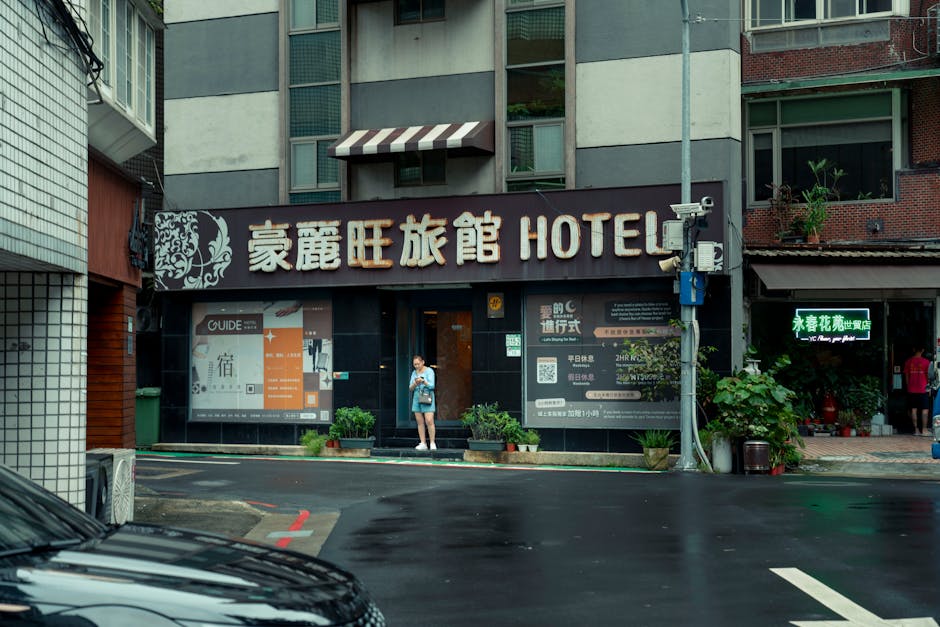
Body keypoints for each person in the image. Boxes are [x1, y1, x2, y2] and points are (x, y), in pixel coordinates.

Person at [409, 354, 436, 450]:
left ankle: (432, 442)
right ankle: (423, 443)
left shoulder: (429, 371)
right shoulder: (414, 373)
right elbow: (410, 388)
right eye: (414, 364)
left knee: (429, 420)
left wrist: (423, 381)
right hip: (417, 397)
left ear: (423, 362)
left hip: (427, 395)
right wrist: (415, 383)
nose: (416, 366)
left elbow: (432, 386)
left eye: (418, 364)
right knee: (419, 421)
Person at [903, 346, 931, 436]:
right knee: (925, 410)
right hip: (923, 389)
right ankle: (924, 430)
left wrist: (909, 386)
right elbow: (929, 377)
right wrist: (929, 388)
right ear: (923, 350)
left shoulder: (908, 362)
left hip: (912, 389)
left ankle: (916, 430)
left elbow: (907, 377)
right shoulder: (927, 362)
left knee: (913, 410)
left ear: (913, 349)